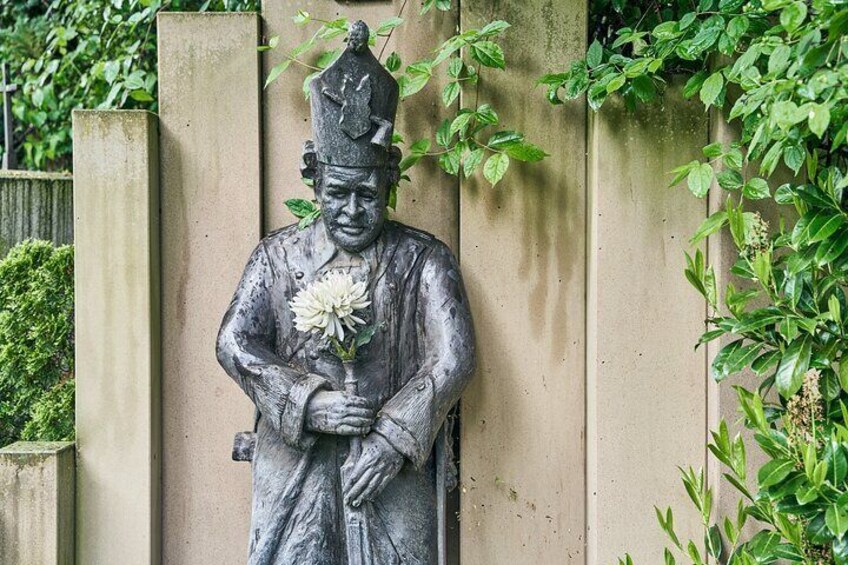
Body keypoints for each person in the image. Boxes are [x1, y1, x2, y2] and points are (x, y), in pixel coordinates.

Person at [216, 20, 475, 565]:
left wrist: (392, 438)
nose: (353, 211)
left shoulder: (424, 260)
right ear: (315, 184)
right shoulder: (276, 258)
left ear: (390, 183)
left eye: (368, 194)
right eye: (338, 193)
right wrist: (306, 403)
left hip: (389, 470)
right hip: (298, 467)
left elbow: (453, 359)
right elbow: (235, 343)